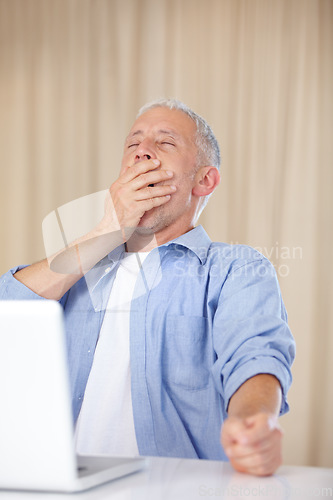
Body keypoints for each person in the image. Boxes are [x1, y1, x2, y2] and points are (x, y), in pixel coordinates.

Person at [0, 98, 295, 476]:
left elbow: (255, 357)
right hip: (62, 484)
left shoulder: (236, 268)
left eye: (165, 143)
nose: (142, 152)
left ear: (204, 180)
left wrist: (254, 420)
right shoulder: (74, 272)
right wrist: (107, 231)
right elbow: (9, 311)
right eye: (132, 144)